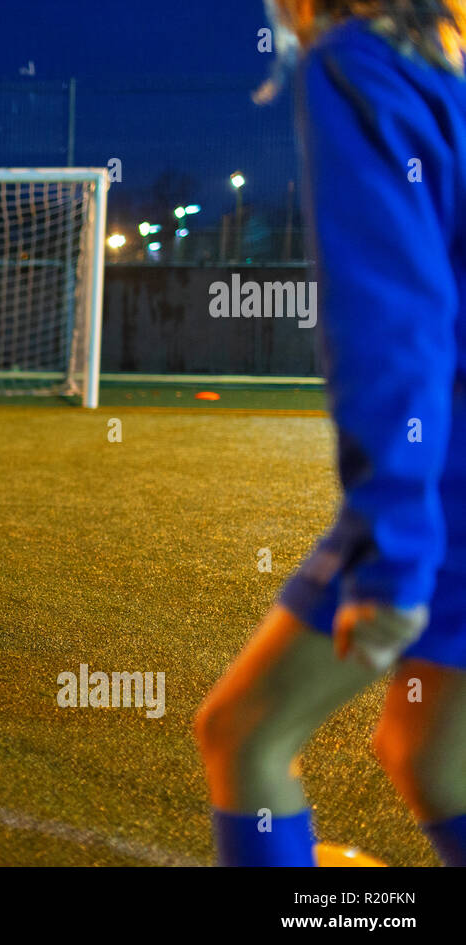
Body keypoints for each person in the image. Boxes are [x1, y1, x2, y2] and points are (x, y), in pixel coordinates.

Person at [195, 0, 466, 866]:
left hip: (447, 488)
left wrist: (395, 545)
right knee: (432, 757)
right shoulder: (452, 59)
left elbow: (397, 316)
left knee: (245, 735)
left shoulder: (359, 60)